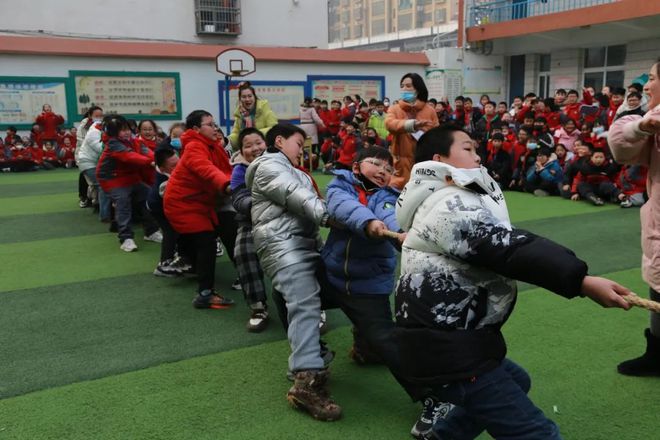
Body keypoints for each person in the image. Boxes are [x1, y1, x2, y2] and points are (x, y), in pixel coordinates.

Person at [394, 125, 633, 440]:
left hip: (447, 337)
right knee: (538, 433)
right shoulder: (448, 202)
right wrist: (581, 281)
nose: (477, 155)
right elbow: (503, 246)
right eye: (467, 148)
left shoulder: (447, 197)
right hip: (448, 346)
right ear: (439, 159)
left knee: (516, 381)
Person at [246, 123, 342, 421]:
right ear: (279, 141)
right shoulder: (269, 167)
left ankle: (305, 360)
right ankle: (307, 381)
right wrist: (335, 216)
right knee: (304, 304)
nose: (302, 149)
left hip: (299, 246)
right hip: (283, 247)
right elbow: (299, 199)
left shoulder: (292, 170)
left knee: (315, 299)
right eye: (298, 143)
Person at [609, 61, 660, 376]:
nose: (647, 86)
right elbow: (620, 147)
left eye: (653, 78)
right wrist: (640, 126)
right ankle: (657, 354)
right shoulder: (653, 120)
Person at [164, 110, 236, 309]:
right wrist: (227, 185)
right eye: (210, 124)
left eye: (215, 124)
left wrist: (237, 179)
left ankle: (188, 264)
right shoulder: (196, 146)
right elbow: (206, 168)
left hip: (196, 202)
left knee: (205, 241)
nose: (215, 128)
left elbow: (224, 168)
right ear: (196, 129)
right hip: (185, 204)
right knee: (207, 243)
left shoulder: (211, 145)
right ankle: (204, 293)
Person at [96, 115, 161, 252]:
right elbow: (129, 156)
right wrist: (150, 162)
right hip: (112, 179)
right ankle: (126, 238)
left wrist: (162, 160)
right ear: (114, 133)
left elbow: (148, 152)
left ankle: (151, 231)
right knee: (123, 202)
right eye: (122, 130)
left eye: (128, 129)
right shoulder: (113, 143)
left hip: (131, 178)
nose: (126, 132)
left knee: (149, 196)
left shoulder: (135, 141)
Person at [231, 127, 273, 332]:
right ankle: (258, 306)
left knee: (307, 249)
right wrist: (261, 206)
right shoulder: (239, 170)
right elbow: (239, 199)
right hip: (252, 222)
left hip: (285, 220)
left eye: (259, 143)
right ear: (241, 151)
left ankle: (313, 305)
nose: (255, 148)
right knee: (243, 251)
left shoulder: (281, 163)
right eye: (248, 145)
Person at [385, 72, 439, 190]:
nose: (404, 89)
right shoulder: (395, 109)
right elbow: (389, 124)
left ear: (418, 89)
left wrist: (424, 130)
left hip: (423, 162)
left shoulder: (430, 111)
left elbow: (437, 134)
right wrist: (411, 125)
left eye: (408, 86)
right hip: (400, 164)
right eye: (402, 86)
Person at [147, 146, 182, 277]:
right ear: (162, 168)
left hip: (159, 204)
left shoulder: (164, 171)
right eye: (174, 165)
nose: (178, 167)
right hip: (158, 208)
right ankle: (164, 264)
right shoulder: (163, 183)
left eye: (179, 162)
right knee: (170, 231)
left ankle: (176, 255)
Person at [228, 81, 278, 150]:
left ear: (254, 97)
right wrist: (227, 141)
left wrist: (255, 134)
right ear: (240, 99)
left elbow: (274, 129)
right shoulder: (240, 113)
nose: (247, 99)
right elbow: (236, 134)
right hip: (247, 150)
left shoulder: (264, 108)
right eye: (244, 97)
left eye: (250, 96)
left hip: (266, 149)